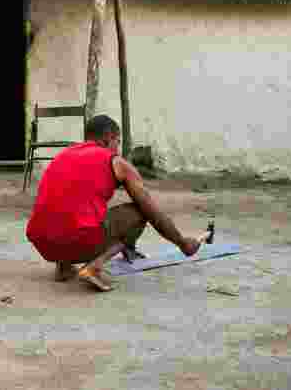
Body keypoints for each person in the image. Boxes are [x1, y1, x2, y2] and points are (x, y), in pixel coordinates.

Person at [25, 115, 210, 292]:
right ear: (109, 138)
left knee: (72, 208)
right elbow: (153, 213)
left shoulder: (63, 156)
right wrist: (182, 243)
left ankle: (63, 268)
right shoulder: (116, 162)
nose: (118, 148)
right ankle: (94, 267)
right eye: (118, 142)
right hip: (79, 241)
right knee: (139, 212)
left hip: (43, 244)